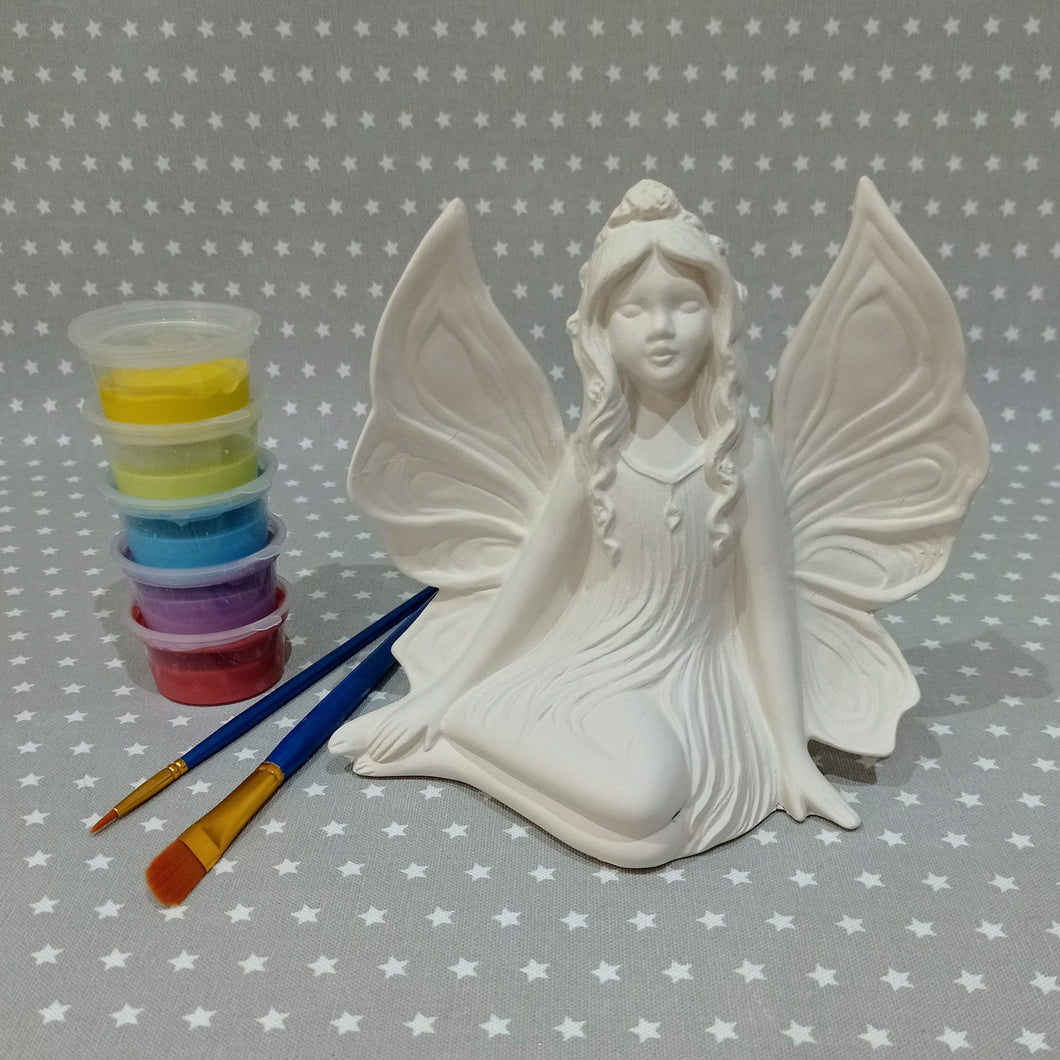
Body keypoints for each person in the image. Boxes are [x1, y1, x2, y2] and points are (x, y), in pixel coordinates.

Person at [330, 181, 859, 866]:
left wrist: (790, 752)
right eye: (634, 309)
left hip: (700, 681)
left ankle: (461, 746)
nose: (661, 328)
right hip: (592, 668)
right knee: (644, 807)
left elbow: (768, 608)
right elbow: (532, 581)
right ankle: (459, 721)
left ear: (720, 316)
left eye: (685, 304)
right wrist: (445, 688)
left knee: (654, 841)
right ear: (601, 330)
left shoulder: (745, 458)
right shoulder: (594, 457)